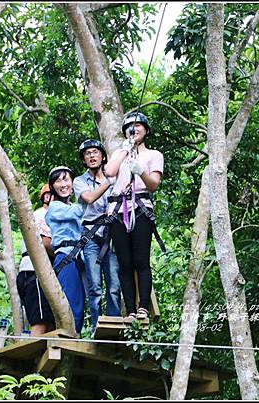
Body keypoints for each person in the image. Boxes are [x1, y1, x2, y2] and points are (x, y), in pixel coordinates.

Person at [103, 111, 164, 321]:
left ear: (146, 131)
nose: (134, 129)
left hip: (141, 207)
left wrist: (140, 171)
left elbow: (154, 184)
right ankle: (129, 309)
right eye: (130, 126)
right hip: (118, 210)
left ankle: (143, 307)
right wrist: (124, 150)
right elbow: (109, 172)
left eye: (138, 126)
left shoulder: (153, 155)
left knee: (141, 260)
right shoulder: (120, 153)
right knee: (124, 262)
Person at [73, 139, 122, 334]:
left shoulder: (117, 178)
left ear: (103, 156)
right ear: (84, 159)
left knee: (114, 284)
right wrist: (109, 181)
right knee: (94, 286)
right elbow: (89, 198)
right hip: (91, 235)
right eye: (87, 153)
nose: (92, 156)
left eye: (95, 152)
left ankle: (114, 325)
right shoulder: (79, 181)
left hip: (111, 235)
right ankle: (96, 326)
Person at [45, 166, 86, 334]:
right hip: (65, 255)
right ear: (53, 186)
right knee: (71, 299)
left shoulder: (73, 205)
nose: (63, 184)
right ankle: (71, 336)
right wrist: (88, 195)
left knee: (82, 300)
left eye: (66, 179)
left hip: (80, 257)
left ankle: (77, 333)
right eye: (58, 181)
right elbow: (77, 213)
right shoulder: (54, 207)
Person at [16, 184, 56, 336]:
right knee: (40, 322)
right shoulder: (41, 215)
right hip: (34, 271)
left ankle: (42, 353)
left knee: (51, 322)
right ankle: (32, 356)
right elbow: (45, 243)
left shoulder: (52, 215)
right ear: (47, 197)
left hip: (40, 271)